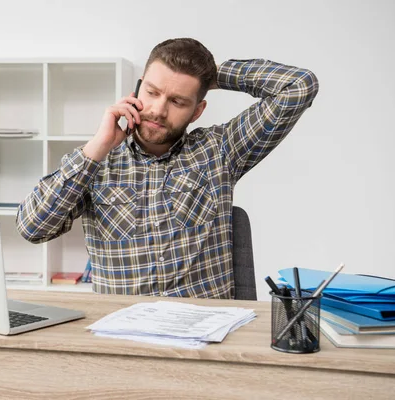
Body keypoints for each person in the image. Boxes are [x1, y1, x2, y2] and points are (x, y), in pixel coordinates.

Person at [16, 38, 319, 298]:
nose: (159, 110)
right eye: (152, 92)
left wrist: (213, 75)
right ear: (136, 90)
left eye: (177, 101)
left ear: (197, 110)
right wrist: (96, 147)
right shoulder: (96, 161)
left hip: (205, 334)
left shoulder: (221, 149)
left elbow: (298, 86)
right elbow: (33, 227)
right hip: (125, 336)